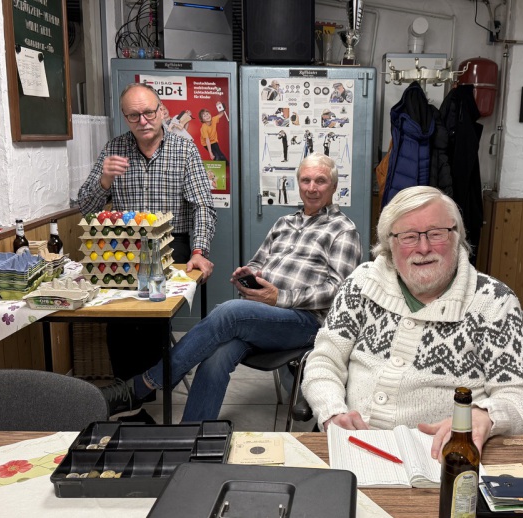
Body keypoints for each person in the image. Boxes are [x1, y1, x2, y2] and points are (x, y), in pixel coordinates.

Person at [101, 153, 362, 423]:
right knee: (217, 355)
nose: (312, 187)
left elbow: (339, 291)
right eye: (306, 180)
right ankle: (192, 433)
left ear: (333, 186)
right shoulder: (285, 223)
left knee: (230, 312)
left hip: (306, 322)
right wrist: (249, 275)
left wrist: (280, 297)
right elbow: (259, 261)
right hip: (263, 314)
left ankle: (143, 385)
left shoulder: (343, 230)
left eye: (320, 181)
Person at [301, 186, 523, 458]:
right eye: (409, 237)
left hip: (441, 457)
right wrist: (332, 411)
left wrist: (486, 416)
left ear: (457, 236)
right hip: (355, 447)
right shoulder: (361, 284)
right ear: (389, 244)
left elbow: (521, 399)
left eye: (436, 234)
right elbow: (324, 361)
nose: (424, 248)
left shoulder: (494, 302)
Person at [78, 83, 217, 389]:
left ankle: (146, 388)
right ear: (125, 117)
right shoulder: (113, 149)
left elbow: (202, 206)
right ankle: (128, 394)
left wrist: (199, 251)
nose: (143, 121)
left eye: (148, 113)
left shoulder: (184, 149)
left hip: (171, 243)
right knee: (119, 316)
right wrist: (104, 180)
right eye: (134, 115)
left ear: (161, 111)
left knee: (152, 310)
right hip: (124, 245)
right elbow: (86, 209)